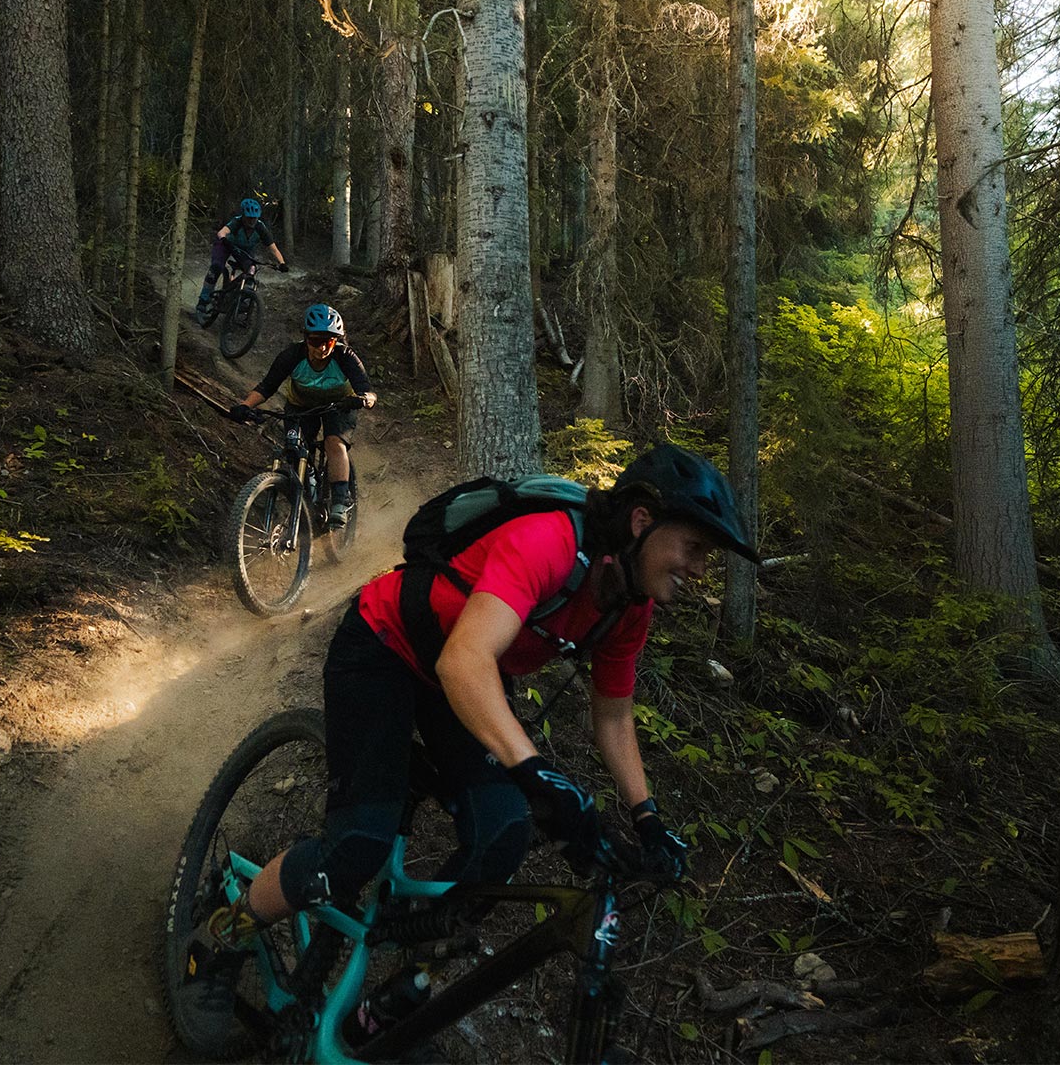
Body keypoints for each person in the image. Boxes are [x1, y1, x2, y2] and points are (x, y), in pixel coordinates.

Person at [177, 445, 760, 1045]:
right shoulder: (550, 543)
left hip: (460, 678)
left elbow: (613, 717)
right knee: (356, 844)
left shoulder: (626, 608)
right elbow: (465, 662)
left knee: (501, 832)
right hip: (385, 648)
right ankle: (222, 934)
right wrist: (536, 773)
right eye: (694, 549)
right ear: (642, 522)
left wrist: (647, 820)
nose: (698, 568)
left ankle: (397, 1000)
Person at [224, 303, 376, 527]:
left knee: (334, 443)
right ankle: (304, 498)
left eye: (329, 341)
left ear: (336, 341)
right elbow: (267, 386)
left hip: (339, 406)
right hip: (300, 406)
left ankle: (339, 502)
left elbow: (368, 390)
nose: (322, 347)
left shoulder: (345, 357)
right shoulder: (292, 355)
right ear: (306, 338)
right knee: (294, 450)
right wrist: (244, 406)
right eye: (316, 341)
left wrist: (363, 399)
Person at [196, 198, 287, 328]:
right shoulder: (237, 222)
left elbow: (273, 248)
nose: (252, 221)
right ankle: (202, 302)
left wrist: (282, 263)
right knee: (216, 267)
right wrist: (224, 239)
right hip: (225, 246)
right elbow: (222, 232)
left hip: (244, 251)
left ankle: (241, 298)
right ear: (243, 216)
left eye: (254, 218)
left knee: (251, 271)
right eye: (249, 218)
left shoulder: (260, 227)